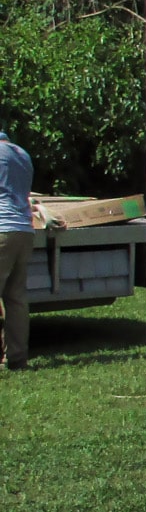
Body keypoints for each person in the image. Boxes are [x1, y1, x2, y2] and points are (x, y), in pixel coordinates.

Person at [0, 129, 33, 371]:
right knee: (16, 298)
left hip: (2, 228)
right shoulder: (22, 154)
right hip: (24, 229)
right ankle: (18, 358)